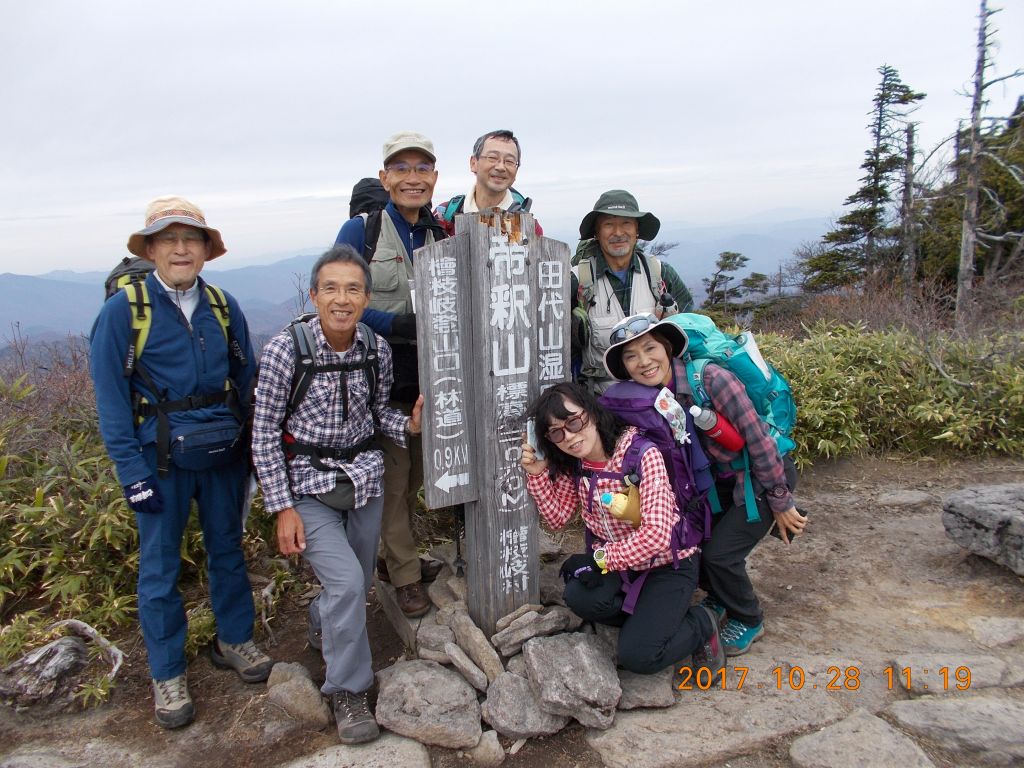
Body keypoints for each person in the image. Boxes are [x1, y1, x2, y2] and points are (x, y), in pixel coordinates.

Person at [90, 196, 272, 729]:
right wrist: (131, 474)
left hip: (222, 453)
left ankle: (235, 639)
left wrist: (258, 454)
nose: (179, 248)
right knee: (160, 569)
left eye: (190, 239)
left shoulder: (222, 304)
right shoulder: (124, 311)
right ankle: (167, 673)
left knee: (227, 550)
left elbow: (248, 381)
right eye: (168, 239)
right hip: (158, 459)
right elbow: (110, 400)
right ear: (149, 250)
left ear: (204, 250)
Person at [251, 245, 423, 744]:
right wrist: (281, 508)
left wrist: (406, 424)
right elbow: (263, 433)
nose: (342, 299)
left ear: (367, 297)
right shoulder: (288, 349)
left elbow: (376, 415)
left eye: (353, 289)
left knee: (355, 582)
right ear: (313, 295)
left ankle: (322, 622)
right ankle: (348, 690)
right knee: (349, 585)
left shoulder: (375, 347)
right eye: (331, 288)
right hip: (308, 484)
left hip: (365, 480)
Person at [602, 313, 807, 656]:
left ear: (667, 347)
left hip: (759, 474)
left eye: (650, 348)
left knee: (720, 556)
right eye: (631, 356)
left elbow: (759, 440)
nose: (643, 362)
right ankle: (722, 596)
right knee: (700, 543)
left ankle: (749, 617)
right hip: (719, 484)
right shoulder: (649, 397)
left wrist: (780, 499)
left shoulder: (711, 378)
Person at [519, 382, 723, 676]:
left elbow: (656, 536)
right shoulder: (577, 463)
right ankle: (648, 619)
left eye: (574, 421)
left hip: (668, 564)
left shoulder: (642, 454)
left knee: (640, 656)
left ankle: (701, 622)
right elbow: (557, 518)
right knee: (578, 597)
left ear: (592, 411)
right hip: (622, 565)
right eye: (557, 433)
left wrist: (601, 559)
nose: (571, 437)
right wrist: (538, 475)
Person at [334, 131, 446, 617]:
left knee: (422, 474)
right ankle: (404, 575)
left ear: (435, 179)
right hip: (380, 382)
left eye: (422, 169)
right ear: (385, 177)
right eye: (401, 169)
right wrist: (398, 324)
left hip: (434, 378)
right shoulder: (360, 232)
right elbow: (343, 301)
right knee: (395, 482)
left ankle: (393, 558)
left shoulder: (439, 233)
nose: (412, 178)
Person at [572, 190, 694, 393]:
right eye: (609, 224)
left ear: (637, 230)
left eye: (626, 223)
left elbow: (689, 325)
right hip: (605, 399)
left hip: (663, 395)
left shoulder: (660, 274)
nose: (618, 232)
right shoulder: (578, 281)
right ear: (596, 232)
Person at [433, 129, 540, 235]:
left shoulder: (529, 226)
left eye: (509, 161)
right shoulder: (444, 214)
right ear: (473, 163)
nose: (501, 167)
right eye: (492, 158)